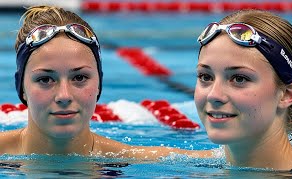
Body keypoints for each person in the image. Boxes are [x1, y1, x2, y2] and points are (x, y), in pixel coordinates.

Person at [0, 5, 213, 159]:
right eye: (45, 79)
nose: (64, 95)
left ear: (99, 84)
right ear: (22, 87)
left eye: (79, 78)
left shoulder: (133, 159)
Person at [195, 9, 292, 172]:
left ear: (287, 95)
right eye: (205, 77)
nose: (213, 95)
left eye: (239, 79)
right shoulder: (188, 161)